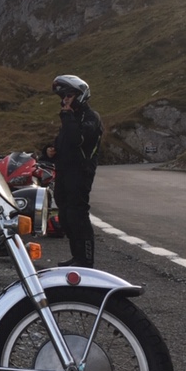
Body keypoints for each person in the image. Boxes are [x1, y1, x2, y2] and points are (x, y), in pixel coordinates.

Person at [51, 75, 103, 268]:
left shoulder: (91, 118)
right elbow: (62, 145)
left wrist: (67, 117)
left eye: (69, 95)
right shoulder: (70, 118)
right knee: (65, 216)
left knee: (78, 215)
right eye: (63, 96)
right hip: (64, 173)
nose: (65, 100)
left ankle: (86, 260)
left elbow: (77, 140)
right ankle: (76, 257)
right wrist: (48, 152)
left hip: (80, 173)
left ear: (80, 96)